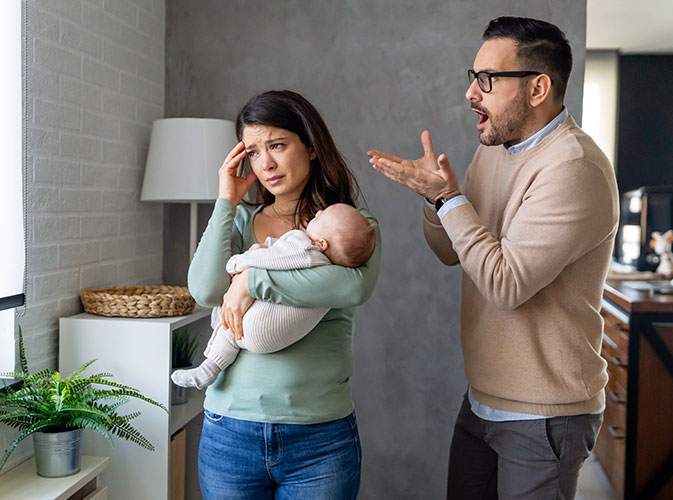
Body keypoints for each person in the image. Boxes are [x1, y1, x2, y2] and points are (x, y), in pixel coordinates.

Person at [368, 16, 618, 500]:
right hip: (485, 398)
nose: (471, 94)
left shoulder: (573, 167)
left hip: (544, 413)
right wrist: (435, 201)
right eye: (473, 78)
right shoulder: (498, 151)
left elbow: (505, 284)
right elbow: (451, 252)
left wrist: (449, 200)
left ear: (538, 87)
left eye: (488, 80)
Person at [188, 89, 380, 500]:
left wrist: (250, 280)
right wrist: (227, 199)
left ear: (310, 146)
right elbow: (204, 290)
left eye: (277, 145)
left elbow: (352, 286)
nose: (266, 163)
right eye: (254, 152)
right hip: (229, 431)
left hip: (319, 440)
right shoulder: (239, 219)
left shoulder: (348, 224)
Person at [172, 203, 375, 390]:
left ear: (322, 243)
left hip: (260, 325)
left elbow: (277, 257)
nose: (319, 212)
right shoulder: (329, 268)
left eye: (322, 217)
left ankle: (210, 367)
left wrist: (240, 264)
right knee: (231, 328)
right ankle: (208, 370)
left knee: (228, 324)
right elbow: (205, 290)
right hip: (272, 337)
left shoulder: (305, 245)